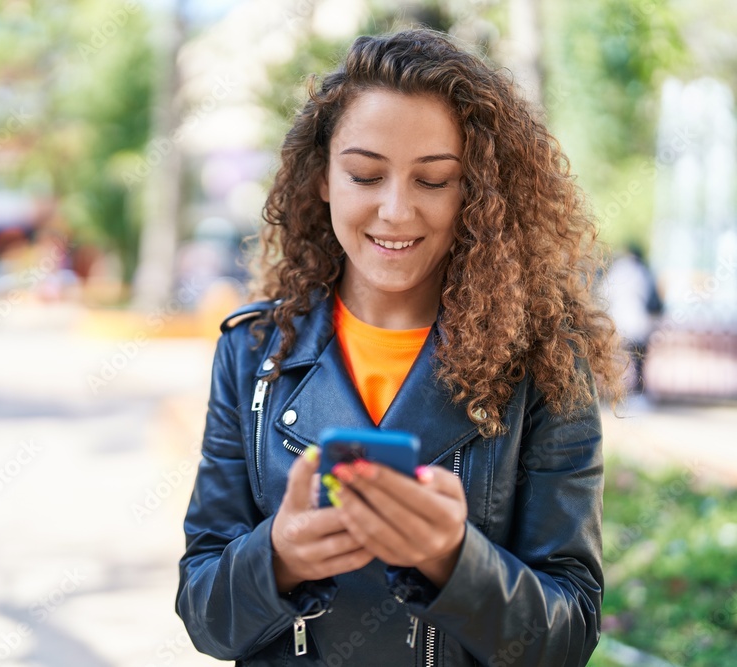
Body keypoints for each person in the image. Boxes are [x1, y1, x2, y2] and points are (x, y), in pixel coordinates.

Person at [176, 29, 623, 667]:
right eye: (365, 174)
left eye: (434, 181)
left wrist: (453, 561)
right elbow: (205, 615)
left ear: (476, 191)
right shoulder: (253, 355)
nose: (395, 209)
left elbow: (567, 635)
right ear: (323, 177)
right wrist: (279, 557)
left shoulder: (546, 364)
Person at [604, 242, 662, 394]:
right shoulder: (642, 270)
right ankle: (638, 388)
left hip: (619, 320)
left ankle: (618, 389)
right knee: (638, 359)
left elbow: (605, 294)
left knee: (617, 358)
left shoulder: (617, 270)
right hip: (638, 321)